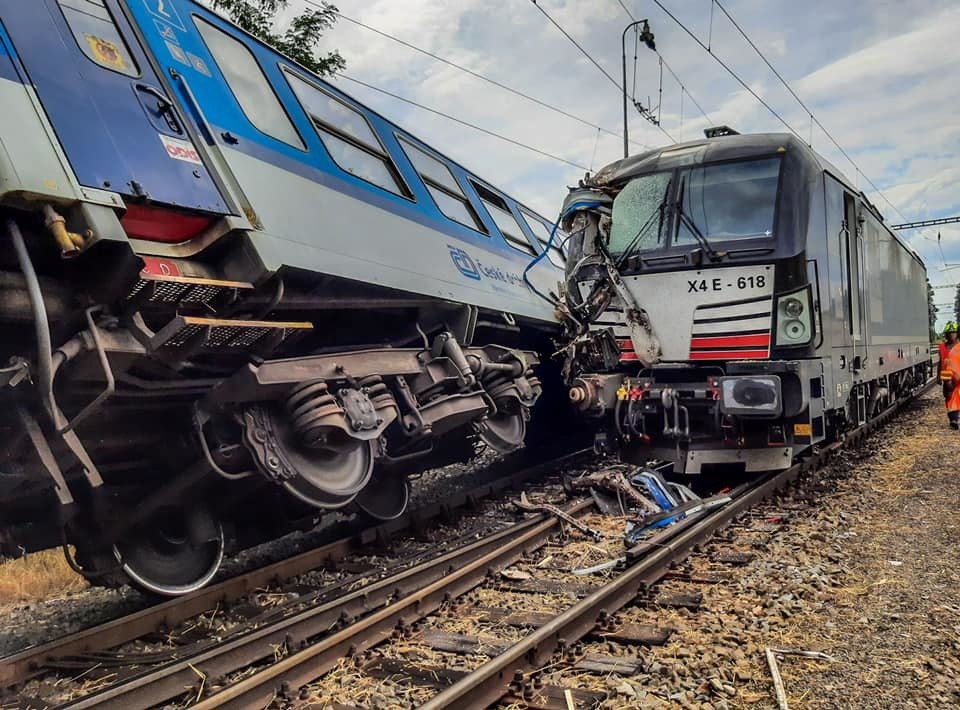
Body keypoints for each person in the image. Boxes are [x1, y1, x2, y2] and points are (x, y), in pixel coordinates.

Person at [941, 322, 960, 429]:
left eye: (953, 332)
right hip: (947, 373)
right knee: (948, 394)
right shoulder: (942, 346)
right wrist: (937, 377)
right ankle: (953, 418)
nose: (951, 334)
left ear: (957, 333)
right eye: (949, 332)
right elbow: (941, 361)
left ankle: (955, 417)